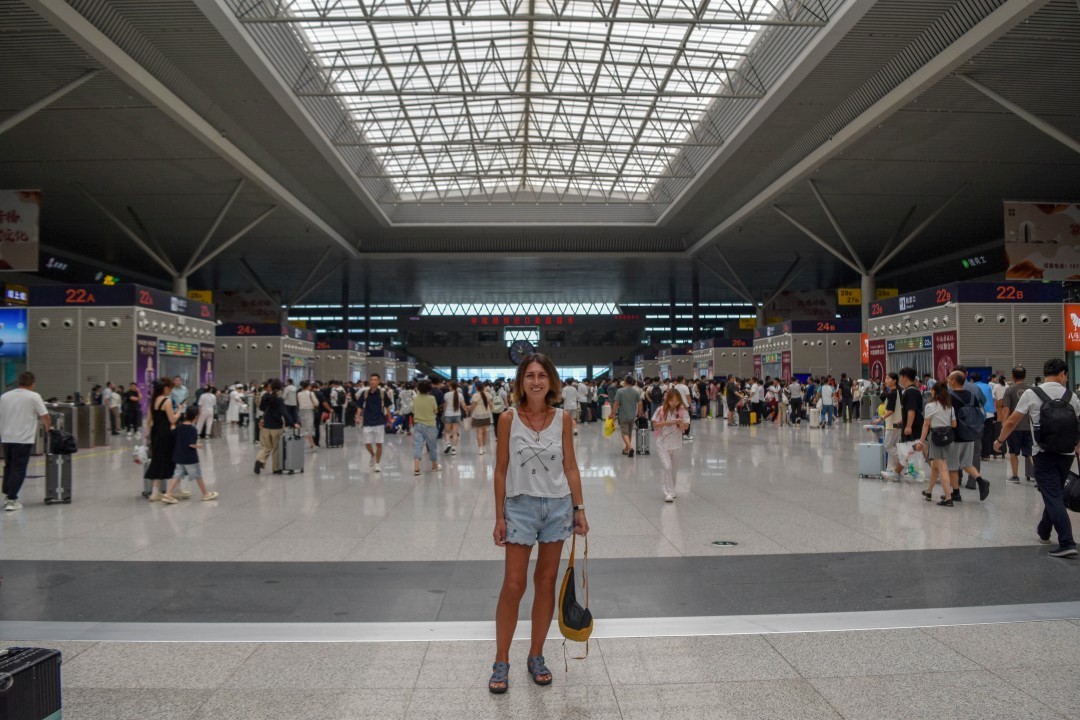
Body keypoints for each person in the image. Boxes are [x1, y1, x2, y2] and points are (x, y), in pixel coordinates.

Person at [490, 354, 588, 694]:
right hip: (520, 507)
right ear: (521, 382)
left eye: (542, 375)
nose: (536, 381)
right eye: (529, 375)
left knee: (545, 582)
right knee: (514, 585)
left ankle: (536, 655)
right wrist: (499, 515)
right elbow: (501, 469)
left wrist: (579, 508)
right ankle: (501, 659)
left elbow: (571, 465)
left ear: (551, 381)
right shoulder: (508, 419)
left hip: (558, 507)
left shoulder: (562, 418)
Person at [994, 358, 1078, 558]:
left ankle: (1066, 541)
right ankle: (1044, 530)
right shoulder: (1071, 396)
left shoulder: (1033, 393)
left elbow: (1013, 420)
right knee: (1055, 492)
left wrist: (999, 441)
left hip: (1042, 453)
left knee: (1052, 495)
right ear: (1063, 374)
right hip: (1066, 454)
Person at [1, 372, 52, 511]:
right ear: (32, 384)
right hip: (23, 439)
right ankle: (12, 500)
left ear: (19, 382)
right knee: (19, 468)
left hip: (6, 437)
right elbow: (45, 415)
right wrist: (49, 429)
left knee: (9, 467)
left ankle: (7, 495)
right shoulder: (34, 396)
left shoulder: (5, 396)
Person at [946, 371, 990, 502]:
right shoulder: (972, 396)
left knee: (952, 466)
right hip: (970, 434)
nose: (948, 380)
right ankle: (981, 481)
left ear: (953, 381)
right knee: (966, 463)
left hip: (955, 435)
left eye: (949, 378)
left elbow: (948, 416)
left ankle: (956, 493)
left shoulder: (949, 397)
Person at [162, 406, 219, 503]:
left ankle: (168, 494)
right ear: (196, 417)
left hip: (179, 456)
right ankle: (205, 494)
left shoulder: (179, 426)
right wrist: (198, 445)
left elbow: (172, 433)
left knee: (176, 475)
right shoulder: (192, 429)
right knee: (198, 476)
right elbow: (191, 444)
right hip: (190, 458)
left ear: (186, 414)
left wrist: (172, 425)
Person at [914, 382, 957, 506]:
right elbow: (954, 425)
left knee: (942, 467)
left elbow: (926, 425)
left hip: (936, 438)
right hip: (948, 438)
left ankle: (948, 498)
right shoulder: (950, 407)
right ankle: (928, 491)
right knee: (935, 466)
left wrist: (921, 442)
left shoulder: (930, 406)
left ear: (935, 392)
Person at [144, 378, 180, 502]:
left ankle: (155, 492)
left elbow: (148, 420)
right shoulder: (167, 401)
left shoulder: (152, 401)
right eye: (170, 389)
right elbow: (172, 419)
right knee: (169, 460)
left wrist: (148, 432)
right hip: (166, 433)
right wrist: (179, 411)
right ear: (166, 388)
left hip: (155, 433)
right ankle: (171, 491)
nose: (171, 391)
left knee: (157, 459)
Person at [652, 388, 690, 502]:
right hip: (662, 444)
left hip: (677, 444)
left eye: (677, 401)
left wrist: (681, 422)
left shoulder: (683, 411)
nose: (674, 403)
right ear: (667, 399)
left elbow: (686, 427)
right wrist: (667, 423)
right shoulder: (661, 410)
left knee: (674, 469)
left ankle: (672, 490)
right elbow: (655, 425)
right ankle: (668, 492)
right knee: (667, 467)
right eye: (672, 400)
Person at [254, 379, 298, 475]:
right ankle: (276, 468)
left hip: (265, 425)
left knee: (265, 447)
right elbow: (284, 413)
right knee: (276, 448)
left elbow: (261, 407)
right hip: (276, 427)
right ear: (280, 389)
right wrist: (293, 423)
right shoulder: (279, 400)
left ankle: (259, 460)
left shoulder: (266, 396)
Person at [1001, 366, 1034, 484]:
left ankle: (1015, 476)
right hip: (1029, 426)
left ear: (1013, 376)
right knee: (1031, 452)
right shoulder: (1031, 389)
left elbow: (1006, 409)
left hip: (1014, 427)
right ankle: (1037, 477)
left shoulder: (1009, 390)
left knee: (1013, 452)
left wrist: (1004, 424)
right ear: (1025, 376)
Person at [356, 374, 392, 471]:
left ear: (378, 381)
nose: (373, 381)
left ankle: (377, 464)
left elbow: (387, 407)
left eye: (375, 380)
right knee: (367, 443)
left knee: (379, 444)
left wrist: (389, 420)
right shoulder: (365, 393)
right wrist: (358, 417)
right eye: (371, 379)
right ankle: (373, 455)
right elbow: (359, 406)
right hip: (367, 421)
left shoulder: (382, 393)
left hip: (379, 421)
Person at [876, 373, 903, 481]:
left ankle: (904, 460)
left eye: (888, 378)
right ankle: (892, 471)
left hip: (892, 424)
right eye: (885, 378)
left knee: (888, 446)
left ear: (894, 381)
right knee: (893, 446)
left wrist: (880, 418)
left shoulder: (892, 394)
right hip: (896, 423)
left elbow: (891, 410)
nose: (885, 380)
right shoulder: (897, 392)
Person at [411, 379, 441, 476]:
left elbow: (413, 410)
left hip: (418, 424)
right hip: (430, 425)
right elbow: (436, 411)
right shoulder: (432, 398)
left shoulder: (415, 398)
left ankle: (416, 467)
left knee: (418, 445)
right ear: (429, 388)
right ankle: (434, 466)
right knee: (432, 445)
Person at [612, 375, 642, 456]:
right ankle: (626, 449)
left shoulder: (620, 391)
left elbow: (616, 403)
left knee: (624, 433)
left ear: (625, 381)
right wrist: (639, 413)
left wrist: (612, 414)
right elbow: (640, 403)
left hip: (623, 415)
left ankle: (630, 448)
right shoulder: (636, 392)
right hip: (632, 416)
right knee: (629, 433)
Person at [897, 368, 924, 445]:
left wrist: (908, 426)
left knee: (912, 452)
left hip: (913, 428)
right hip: (912, 425)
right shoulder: (910, 390)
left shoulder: (911, 392)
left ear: (905, 378)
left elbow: (911, 410)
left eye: (900, 377)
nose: (900, 379)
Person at [441, 380, 466, 456]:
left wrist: (443, 413)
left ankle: (448, 443)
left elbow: (445, 406)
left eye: (449, 386)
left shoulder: (446, 395)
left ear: (451, 387)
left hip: (448, 415)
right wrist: (466, 410)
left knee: (447, 432)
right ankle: (454, 449)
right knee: (455, 433)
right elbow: (463, 406)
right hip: (457, 415)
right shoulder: (460, 395)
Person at [471, 382, 493, 454]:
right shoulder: (487, 394)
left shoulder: (475, 395)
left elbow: (473, 406)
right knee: (485, 432)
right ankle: (483, 447)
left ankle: (480, 448)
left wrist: (471, 412)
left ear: (476, 388)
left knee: (479, 432)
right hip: (486, 415)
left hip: (477, 415)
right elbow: (490, 404)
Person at [297, 381, 320, 449]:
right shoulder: (311, 393)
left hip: (301, 411)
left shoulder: (299, 394)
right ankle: (302, 445)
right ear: (308, 387)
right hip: (309, 411)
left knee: (305, 428)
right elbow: (316, 403)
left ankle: (313, 445)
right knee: (309, 429)